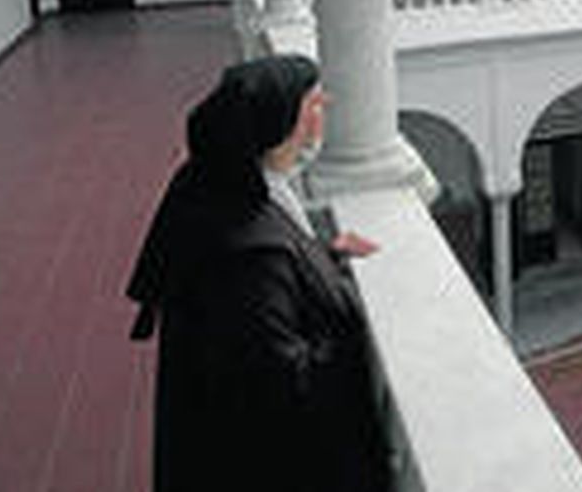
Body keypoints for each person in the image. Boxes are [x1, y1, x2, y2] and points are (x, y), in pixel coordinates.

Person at [126, 55, 391, 492]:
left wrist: (323, 257)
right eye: (313, 100)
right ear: (283, 123)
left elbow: (272, 281)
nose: (326, 103)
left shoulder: (224, 186)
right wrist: (350, 320)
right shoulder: (248, 252)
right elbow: (283, 382)